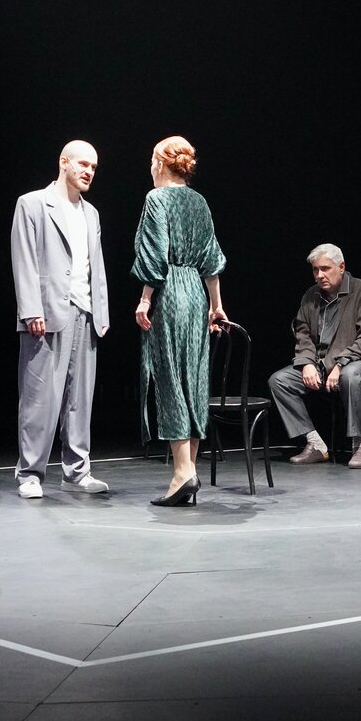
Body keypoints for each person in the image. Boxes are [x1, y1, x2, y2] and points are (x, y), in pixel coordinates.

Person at [10, 140, 110, 499]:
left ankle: (77, 471)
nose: (89, 171)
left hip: (85, 311)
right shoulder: (33, 203)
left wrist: (101, 309)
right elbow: (23, 258)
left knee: (80, 398)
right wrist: (31, 309)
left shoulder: (91, 213)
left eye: (93, 167)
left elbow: (96, 265)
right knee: (39, 395)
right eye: (83, 164)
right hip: (48, 310)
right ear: (63, 162)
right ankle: (30, 473)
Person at [132, 135, 228, 507]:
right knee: (194, 378)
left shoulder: (156, 199)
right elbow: (211, 258)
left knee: (171, 377)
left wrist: (145, 299)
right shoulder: (199, 201)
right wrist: (216, 305)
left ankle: (182, 472)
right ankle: (189, 470)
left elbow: (155, 255)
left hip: (170, 291)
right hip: (197, 294)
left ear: (160, 163)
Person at [267, 244, 361, 469]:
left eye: (325, 268)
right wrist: (306, 363)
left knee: (351, 375)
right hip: (322, 366)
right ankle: (315, 444)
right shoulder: (310, 296)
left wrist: (341, 364)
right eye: (315, 270)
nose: (319, 275)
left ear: (341, 267)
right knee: (280, 380)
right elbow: (303, 334)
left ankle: (359, 446)